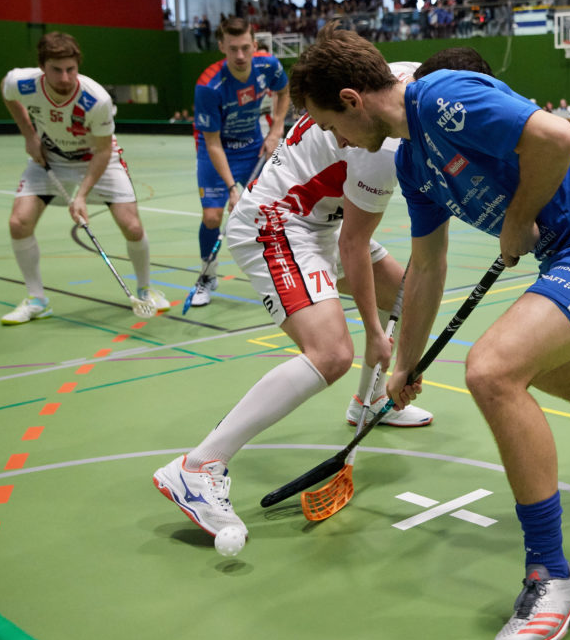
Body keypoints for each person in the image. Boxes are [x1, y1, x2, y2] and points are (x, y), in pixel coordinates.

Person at [286, 25, 570, 640]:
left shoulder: (440, 95)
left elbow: (556, 137)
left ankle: (552, 575)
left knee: (492, 370)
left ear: (351, 99)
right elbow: (427, 268)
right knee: (555, 374)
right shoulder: (411, 162)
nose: (337, 140)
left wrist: (517, 218)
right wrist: (405, 364)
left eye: (330, 125)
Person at [153, 56, 437, 540]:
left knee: (407, 295)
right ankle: (198, 468)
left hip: (320, 222)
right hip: (278, 223)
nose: (336, 135)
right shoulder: (382, 146)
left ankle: (368, 403)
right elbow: (354, 243)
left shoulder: (407, 80)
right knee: (332, 353)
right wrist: (374, 333)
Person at [0, 32, 169, 324]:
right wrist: (29, 135)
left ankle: (145, 290)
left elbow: (103, 151)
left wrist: (80, 196)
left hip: (97, 158)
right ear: (42, 67)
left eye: (71, 69)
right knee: (19, 222)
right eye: (56, 70)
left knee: (131, 226)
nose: (65, 78)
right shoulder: (22, 83)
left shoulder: (96, 99)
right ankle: (37, 300)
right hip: (50, 156)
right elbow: (7, 93)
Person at [189, 17, 290, 307]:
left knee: (273, 210)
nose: (241, 55)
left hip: (253, 146)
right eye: (233, 49)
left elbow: (283, 91)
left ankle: (281, 274)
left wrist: (276, 130)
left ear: (255, 45)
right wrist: (232, 188)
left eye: (246, 48)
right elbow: (212, 142)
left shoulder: (268, 66)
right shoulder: (209, 86)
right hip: (217, 150)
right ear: (222, 47)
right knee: (212, 217)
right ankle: (207, 276)